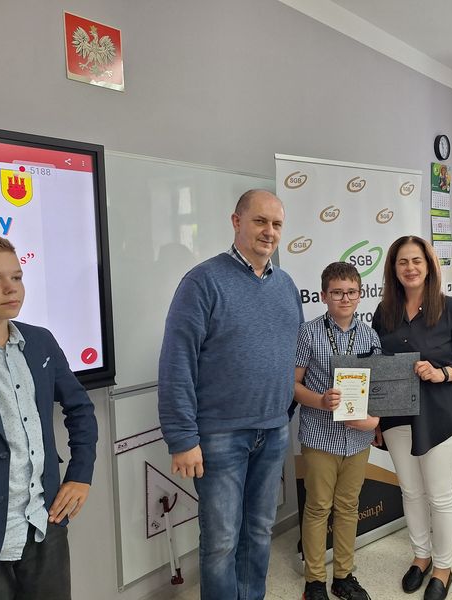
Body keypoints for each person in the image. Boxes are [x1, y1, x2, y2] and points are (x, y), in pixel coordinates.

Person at [158, 189, 303, 600]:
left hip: (272, 431)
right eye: (260, 221)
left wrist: (283, 411)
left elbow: (289, 353)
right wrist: (182, 438)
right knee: (221, 540)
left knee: (259, 530)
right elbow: (176, 363)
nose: (269, 231)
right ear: (237, 222)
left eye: (277, 224)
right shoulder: (202, 282)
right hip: (220, 435)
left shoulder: (286, 284)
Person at [0, 232, 98, 600]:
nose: (11, 288)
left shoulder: (40, 341)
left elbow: (80, 409)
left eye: (16, 276)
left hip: (44, 523)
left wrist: (80, 475)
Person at [372, 236, 452, 600]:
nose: (410, 268)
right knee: (411, 491)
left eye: (416, 260)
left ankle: (443, 568)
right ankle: (420, 557)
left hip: (439, 415)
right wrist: (376, 418)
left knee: (439, 494)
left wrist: (443, 373)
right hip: (397, 416)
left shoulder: (451, 308)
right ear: (393, 269)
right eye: (402, 262)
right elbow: (376, 366)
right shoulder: (384, 312)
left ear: (429, 265)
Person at [294, 262, 381, 600]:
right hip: (320, 436)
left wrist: (375, 421)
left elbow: (378, 389)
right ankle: (314, 581)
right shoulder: (309, 333)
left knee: (348, 506)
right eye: (337, 293)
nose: (345, 299)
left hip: (357, 439)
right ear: (323, 296)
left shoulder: (370, 336)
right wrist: (320, 400)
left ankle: (343, 576)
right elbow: (293, 385)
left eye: (351, 292)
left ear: (360, 295)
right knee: (318, 508)